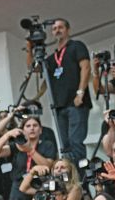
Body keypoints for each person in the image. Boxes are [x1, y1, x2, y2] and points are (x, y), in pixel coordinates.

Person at [35, 18, 92, 163]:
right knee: (65, 146)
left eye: (60, 27)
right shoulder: (51, 57)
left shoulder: (76, 46)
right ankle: (70, 178)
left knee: (75, 142)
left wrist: (80, 93)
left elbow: (86, 68)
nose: (57, 31)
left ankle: (80, 178)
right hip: (59, 106)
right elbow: (38, 72)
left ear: (68, 30)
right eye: (54, 29)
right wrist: (31, 47)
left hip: (76, 103)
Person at [0, 116, 56, 200]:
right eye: (28, 126)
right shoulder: (17, 146)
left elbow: (47, 165)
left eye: (35, 125)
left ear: (41, 130)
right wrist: (7, 135)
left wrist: (30, 150)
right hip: (18, 189)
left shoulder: (47, 145)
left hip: (38, 187)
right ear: (23, 130)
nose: (32, 128)